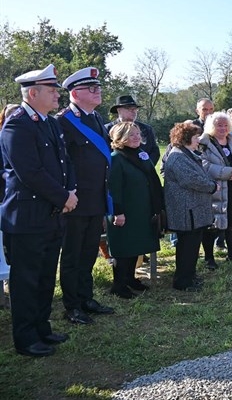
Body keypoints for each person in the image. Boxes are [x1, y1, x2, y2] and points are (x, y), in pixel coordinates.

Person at [1, 64, 76, 357]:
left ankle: (42, 327)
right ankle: (26, 338)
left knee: (46, 276)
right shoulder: (17, 124)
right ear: (33, 93)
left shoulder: (49, 122)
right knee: (26, 280)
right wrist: (63, 197)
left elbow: (64, 162)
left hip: (52, 213)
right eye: (52, 90)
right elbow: (29, 172)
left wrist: (70, 192)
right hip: (27, 217)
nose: (57, 95)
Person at [55, 66, 115, 325]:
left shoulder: (96, 118)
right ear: (75, 93)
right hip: (76, 201)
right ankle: (72, 306)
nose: (98, 91)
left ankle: (86, 297)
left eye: (98, 87)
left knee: (89, 251)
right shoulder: (63, 121)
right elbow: (61, 162)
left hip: (96, 199)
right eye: (92, 88)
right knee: (72, 255)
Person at [106, 122, 165, 299]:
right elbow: (113, 189)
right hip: (124, 211)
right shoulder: (116, 158)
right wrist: (117, 212)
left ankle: (130, 279)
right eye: (131, 135)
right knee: (123, 248)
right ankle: (119, 285)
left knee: (136, 246)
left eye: (138, 134)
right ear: (120, 138)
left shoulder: (141, 154)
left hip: (141, 209)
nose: (137, 138)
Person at [163, 122, 216, 292]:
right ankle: (182, 281)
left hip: (192, 209)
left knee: (192, 245)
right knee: (187, 246)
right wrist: (212, 186)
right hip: (186, 210)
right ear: (185, 139)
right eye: (195, 137)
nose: (198, 140)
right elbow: (191, 180)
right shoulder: (178, 156)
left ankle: (190, 276)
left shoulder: (186, 154)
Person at [199, 112, 232, 268]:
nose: (222, 128)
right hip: (214, 190)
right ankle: (209, 258)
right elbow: (203, 164)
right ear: (211, 126)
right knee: (212, 225)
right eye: (218, 125)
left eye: (225, 125)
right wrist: (228, 173)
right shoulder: (204, 143)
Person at [104, 95, 160, 164]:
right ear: (119, 110)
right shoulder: (107, 129)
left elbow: (154, 152)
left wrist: (146, 166)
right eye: (128, 108)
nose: (133, 111)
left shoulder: (146, 129)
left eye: (135, 108)